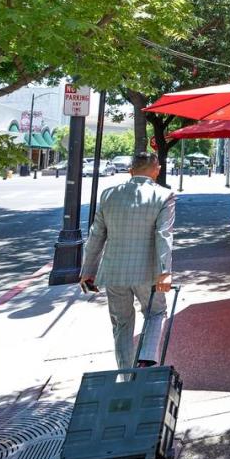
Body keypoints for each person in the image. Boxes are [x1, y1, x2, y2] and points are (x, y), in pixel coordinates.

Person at [80, 152, 176, 369]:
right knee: (156, 312)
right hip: (148, 273)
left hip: (114, 271)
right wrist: (165, 271)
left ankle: (125, 373)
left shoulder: (108, 195)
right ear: (156, 170)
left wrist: (87, 270)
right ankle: (146, 358)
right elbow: (163, 234)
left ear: (131, 171)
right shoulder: (163, 196)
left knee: (121, 324)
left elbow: (96, 235)